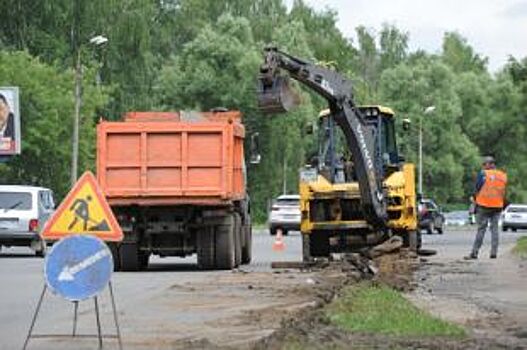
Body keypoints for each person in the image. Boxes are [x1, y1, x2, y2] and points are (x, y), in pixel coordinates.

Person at [465, 156, 507, 259]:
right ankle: (494, 253)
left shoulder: (483, 173)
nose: (483, 166)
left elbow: (477, 187)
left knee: (481, 229)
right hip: (497, 206)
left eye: (484, 164)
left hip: (483, 205)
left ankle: (474, 253)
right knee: (495, 229)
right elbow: (503, 190)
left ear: (489, 164)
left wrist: (474, 197)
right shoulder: (502, 175)